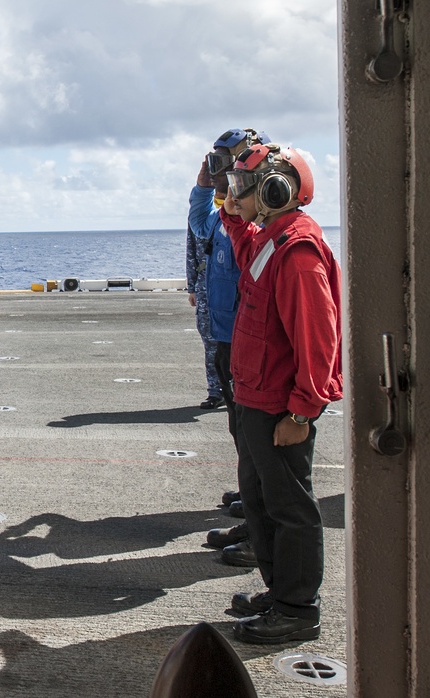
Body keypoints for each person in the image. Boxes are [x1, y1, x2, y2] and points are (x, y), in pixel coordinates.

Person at [220, 143, 342, 644]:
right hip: (255, 398)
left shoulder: (299, 253)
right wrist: (231, 215)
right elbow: (246, 250)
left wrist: (303, 410)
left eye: (240, 189)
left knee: (291, 509)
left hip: (279, 408)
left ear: (272, 191)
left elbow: (318, 339)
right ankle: (279, 592)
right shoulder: (271, 239)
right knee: (261, 500)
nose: (232, 196)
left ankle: (297, 610)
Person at [189, 128, 271, 566]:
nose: (224, 173)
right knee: (242, 433)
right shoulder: (229, 217)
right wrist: (204, 187)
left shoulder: (261, 222)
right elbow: (201, 225)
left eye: (231, 165)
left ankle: (262, 534)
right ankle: (252, 516)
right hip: (225, 339)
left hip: (247, 339)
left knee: (258, 441)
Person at [185, 224, 222, 409]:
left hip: (235, 284)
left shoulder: (244, 210)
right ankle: (215, 391)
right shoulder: (201, 217)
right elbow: (191, 251)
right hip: (205, 285)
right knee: (210, 341)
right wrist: (192, 287)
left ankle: (237, 390)